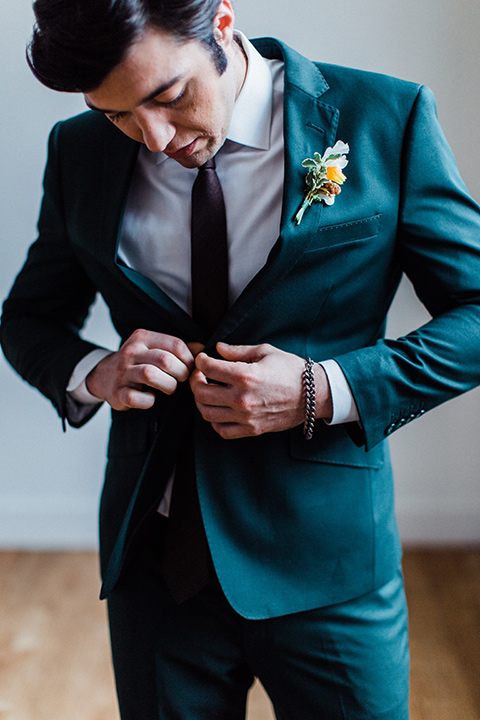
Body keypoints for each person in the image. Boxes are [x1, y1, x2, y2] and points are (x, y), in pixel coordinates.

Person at [2, 0, 480, 717]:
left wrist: (327, 387)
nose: (155, 137)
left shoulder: (385, 116)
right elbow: (30, 317)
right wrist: (95, 372)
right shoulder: (79, 152)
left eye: (168, 96)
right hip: (155, 560)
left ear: (222, 21)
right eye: (119, 117)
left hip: (328, 562)